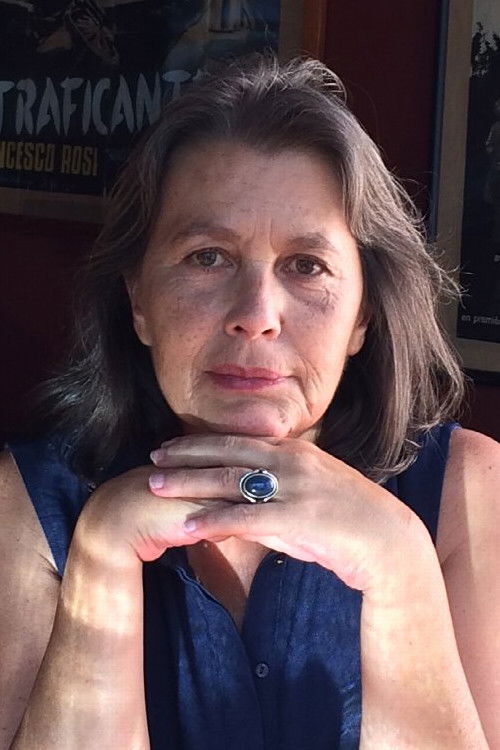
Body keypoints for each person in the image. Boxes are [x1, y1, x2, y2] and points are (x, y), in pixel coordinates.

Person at [1, 56, 499, 750]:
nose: (257, 315)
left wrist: (401, 564)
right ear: (139, 300)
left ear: (362, 317)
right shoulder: (26, 503)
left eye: (307, 265)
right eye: (208, 256)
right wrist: (101, 561)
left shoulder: (471, 492)